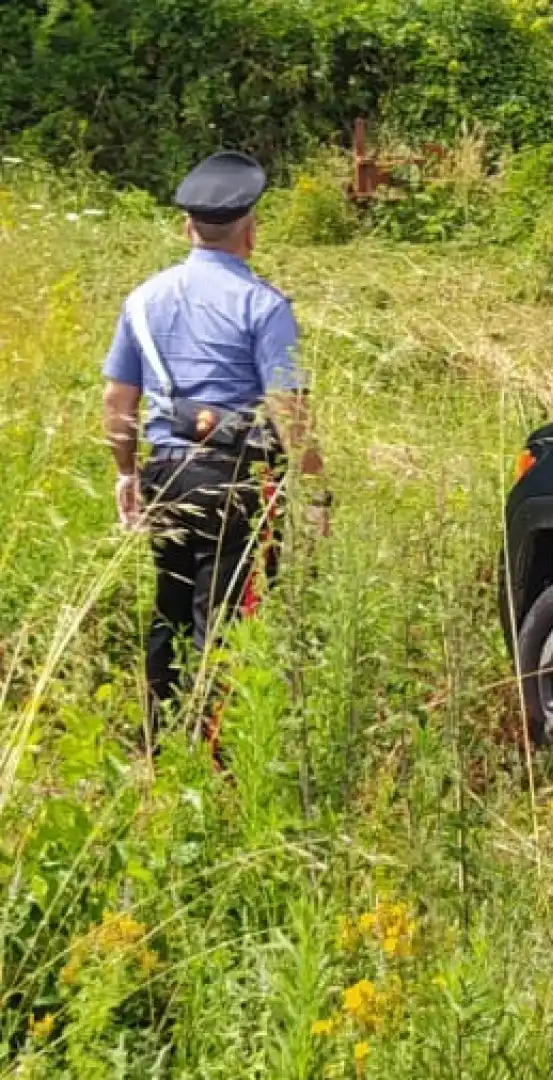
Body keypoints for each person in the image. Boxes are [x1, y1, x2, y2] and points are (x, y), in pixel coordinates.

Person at [102, 150, 330, 743]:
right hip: (238, 483)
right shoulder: (264, 305)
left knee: (170, 610)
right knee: (227, 621)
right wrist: (315, 493)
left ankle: (157, 743)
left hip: (167, 473)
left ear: (187, 227)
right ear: (251, 229)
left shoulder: (142, 300)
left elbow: (117, 404)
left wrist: (127, 476)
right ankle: (214, 761)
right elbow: (290, 412)